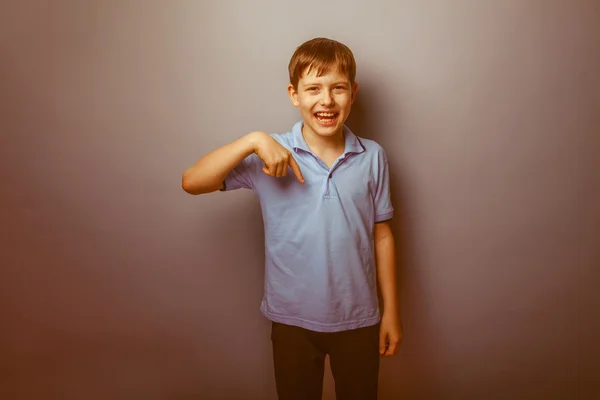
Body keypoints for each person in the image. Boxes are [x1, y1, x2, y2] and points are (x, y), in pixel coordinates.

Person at [182, 37, 402, 400]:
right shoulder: (271, 153)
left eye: (338, 88)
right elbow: (192, 182)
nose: (327, 100)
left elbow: (382, 235)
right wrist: (253, 140)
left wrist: (390, 312)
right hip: (292, 322)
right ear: (294, 94)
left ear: (353, 92)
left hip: (360, 319)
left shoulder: (372, 156)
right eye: (313, 88)